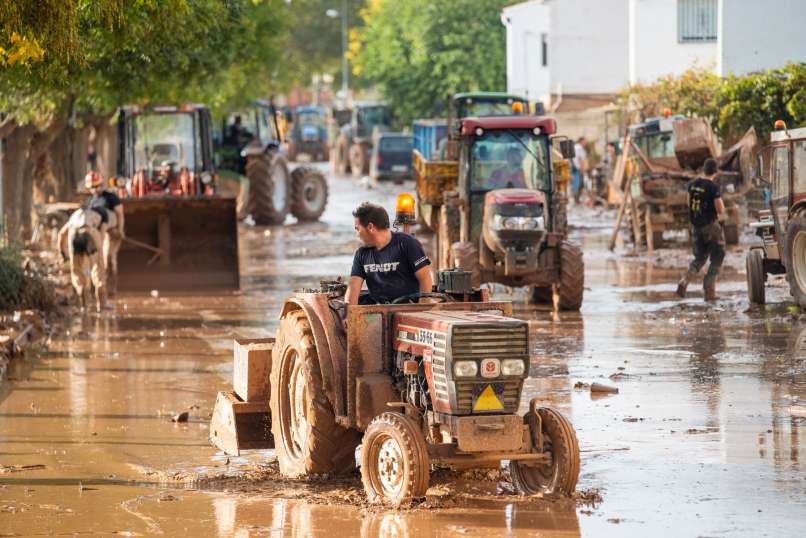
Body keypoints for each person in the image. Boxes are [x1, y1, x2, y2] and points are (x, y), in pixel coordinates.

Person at [345, 202, 433, 305]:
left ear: (370, 227)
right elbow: (353, 288)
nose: (357, 235)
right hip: (379, 311)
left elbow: (425, 277)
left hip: (408, 308)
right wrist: (349, 315)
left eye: (357, 229)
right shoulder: (361, 254)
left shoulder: (407, 243)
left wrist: (422, 308)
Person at [676, 158, 725, 301]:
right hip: (710, 226)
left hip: (696, 227)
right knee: (718, 256)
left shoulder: (692, 184)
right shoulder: (712, 187)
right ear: (715, 172)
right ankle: (709, 292)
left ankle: (684, 281)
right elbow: (720, 209)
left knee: (700, 258)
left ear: (704, 169)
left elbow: (688, 203)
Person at [57, 207, 108, 312]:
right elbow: (102, 236)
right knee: (98, 270)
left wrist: (63, 253)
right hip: (90, 232)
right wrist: (99, 253)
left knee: (78, 273)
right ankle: (101, 305)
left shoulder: (74, 216)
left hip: (74, 235)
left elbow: (61, 234)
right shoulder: (103, 215)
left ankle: (84, 307)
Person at [85, 171, 125, 295]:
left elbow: (120, 214)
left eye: (97, 186)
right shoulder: (91, 201)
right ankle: (98, 288)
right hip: (98, 234)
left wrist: (120, 229)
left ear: (102, 185)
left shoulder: (111, 197)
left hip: (111, 233)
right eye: (92, 187)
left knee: (108, 259)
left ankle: (112, 288)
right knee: (96, 260)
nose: (95, 189)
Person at [572, 137, 588, 203]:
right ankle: (577, 200)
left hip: (575, 167)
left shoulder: (575, 147)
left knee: (576, 183)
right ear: (581, 141)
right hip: (578, 168)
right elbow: (580, 159)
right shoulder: (579, 148)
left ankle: (577, 199)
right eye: (585, 141)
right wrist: (582, 169)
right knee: (578, 184)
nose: (586, 143)